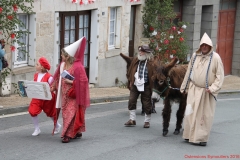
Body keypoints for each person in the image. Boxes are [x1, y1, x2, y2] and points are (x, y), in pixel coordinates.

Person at [180, 32, 224, 146]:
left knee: (203, 116)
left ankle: (201, 138)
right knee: (190, 112)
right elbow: (189, 72)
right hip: (194, 89)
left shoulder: (216, 58)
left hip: (206, 92)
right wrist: (184, 87)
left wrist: (213, 88)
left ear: (210, 46)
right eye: (202, 45)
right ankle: (188, 135)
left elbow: (220, 77)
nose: (204, 47)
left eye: (206, 45)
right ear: (200, 46)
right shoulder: (195, 56)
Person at [51, 37, 90, 143]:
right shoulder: (62, 65)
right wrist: (53, 86)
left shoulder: (77, 67)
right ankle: (76, 131)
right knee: (65, 113)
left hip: (74, 94)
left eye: (62, 55)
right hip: (63, 94)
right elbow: (57, 76)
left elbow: (84, 81)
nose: (61, 56)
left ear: (67, 57)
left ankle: (67, 135)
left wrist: (72, 82)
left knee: (70, 113)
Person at [28, 57, 61, 136]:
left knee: (50, 113)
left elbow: (53, 85)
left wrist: (52, 89)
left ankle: (57, 125)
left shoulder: (49, 77)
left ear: (42, 67)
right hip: (37, 97)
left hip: (47, 98)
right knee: (32, 111)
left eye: (37, 64)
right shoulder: (36, 75)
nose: (35, 66)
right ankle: (37, 129)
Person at [124, 45, 154, 128]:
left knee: (147, 103)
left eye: (142, 52)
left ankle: (147, 121)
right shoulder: (136, 60)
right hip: (135, 84)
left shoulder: (151, 62)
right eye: (139, 51)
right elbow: (131, 71)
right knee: (131, 100)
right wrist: (131, 81)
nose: (140, 53)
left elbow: (155, 75)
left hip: (146, 85)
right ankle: (132, 120)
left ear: (147, 53)